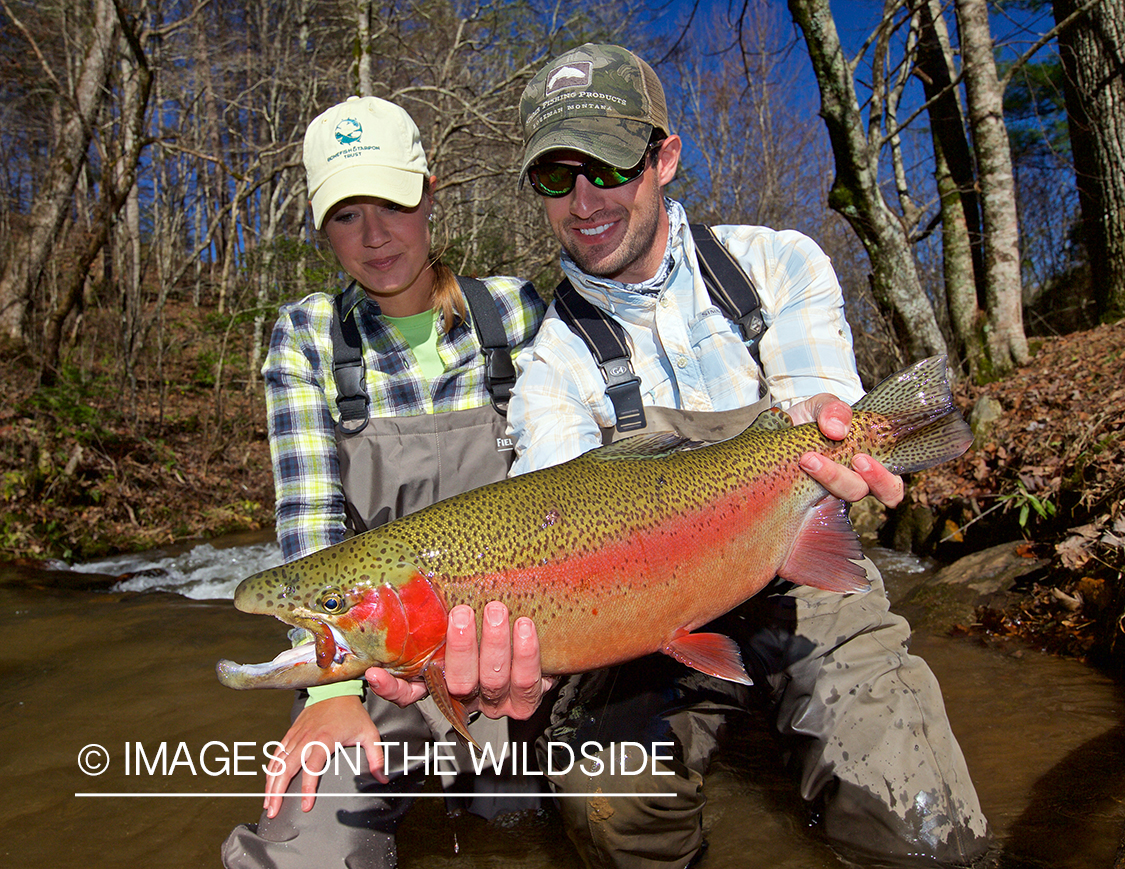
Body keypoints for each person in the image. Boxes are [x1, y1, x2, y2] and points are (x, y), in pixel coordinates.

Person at [372, 44, 993, 868]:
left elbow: (816, 404)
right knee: (608, 810)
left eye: (606, 164)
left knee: (922, 829)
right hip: (639, 602)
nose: (582, 200)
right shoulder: (550, 363)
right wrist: (526, 649)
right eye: (556, 177)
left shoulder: (776, 265)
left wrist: (833, 428)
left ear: (664, 157)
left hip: (797, 567)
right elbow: (549, 524)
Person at [222, 95, 545, 869]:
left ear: (430, 193)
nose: (374, 237)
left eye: (393, 204)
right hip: (374, 663)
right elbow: (310, 530)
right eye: (346, 214)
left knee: (550, 823)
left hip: (527, 643)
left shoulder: (518, 310)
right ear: (321, 225)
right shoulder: (306, 335)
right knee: (305, 848)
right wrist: (330, 696)